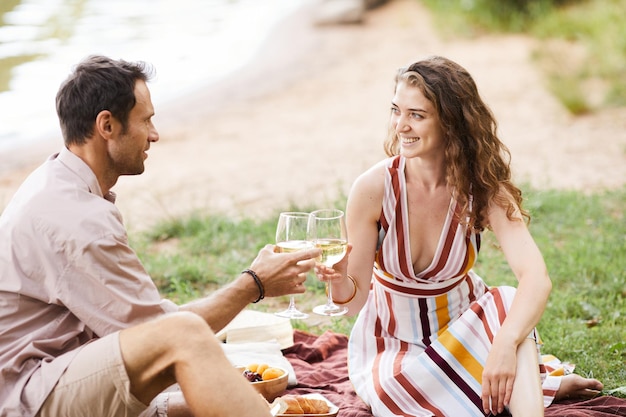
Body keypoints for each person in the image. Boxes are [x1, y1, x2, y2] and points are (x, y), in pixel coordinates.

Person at [0, 55, 321, 417]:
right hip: (25, 397)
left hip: (45, 377)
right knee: (182, 333)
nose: (154, 134)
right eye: (146, 120)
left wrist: (178, 404)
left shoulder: (57, 182)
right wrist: (253, 284)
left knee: (198, 385)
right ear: (107, 124)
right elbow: (164, 335)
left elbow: (128, 337)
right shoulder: (75, 218)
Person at [316, 56, 604, 416]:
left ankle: (526, 396)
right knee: (394, 397)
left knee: (507, 301)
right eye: (396, 110)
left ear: (450, 122)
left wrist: (504, 343)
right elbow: (352, 305)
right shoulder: (373, 189)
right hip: (393, 346)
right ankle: (535, 382)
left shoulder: (481, 188)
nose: (400, 126)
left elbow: (537, 278)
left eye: (416, 115)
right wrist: (337, 279)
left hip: (465, 331)